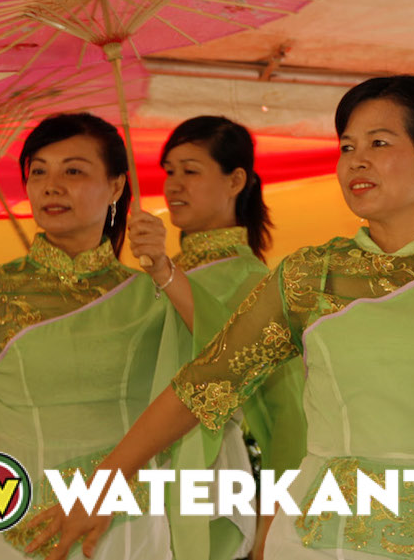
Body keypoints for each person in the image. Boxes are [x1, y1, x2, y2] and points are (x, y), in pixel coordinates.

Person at [29, 75, 414, 560]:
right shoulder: (309, 275)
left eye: (379, 142)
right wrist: (106, 480)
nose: (358, 161)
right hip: (322, 534)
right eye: (348, 147)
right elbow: (207, 382)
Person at [0, 113, 187, 559]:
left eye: (73, 171)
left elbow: (224, 367)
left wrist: (163, 268)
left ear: (117, 186)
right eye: (38, 171)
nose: (50, 185)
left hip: (120, 520)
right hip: (5, 515)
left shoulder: (153, 296)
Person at [129, 116, 306, 560]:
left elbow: (289, 420)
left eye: (191, 170)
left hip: (206, 489)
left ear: (236, 180)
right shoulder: (159, 274)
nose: (173, 185)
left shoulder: (256, 283)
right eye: (168, 171)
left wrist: (272, 527)